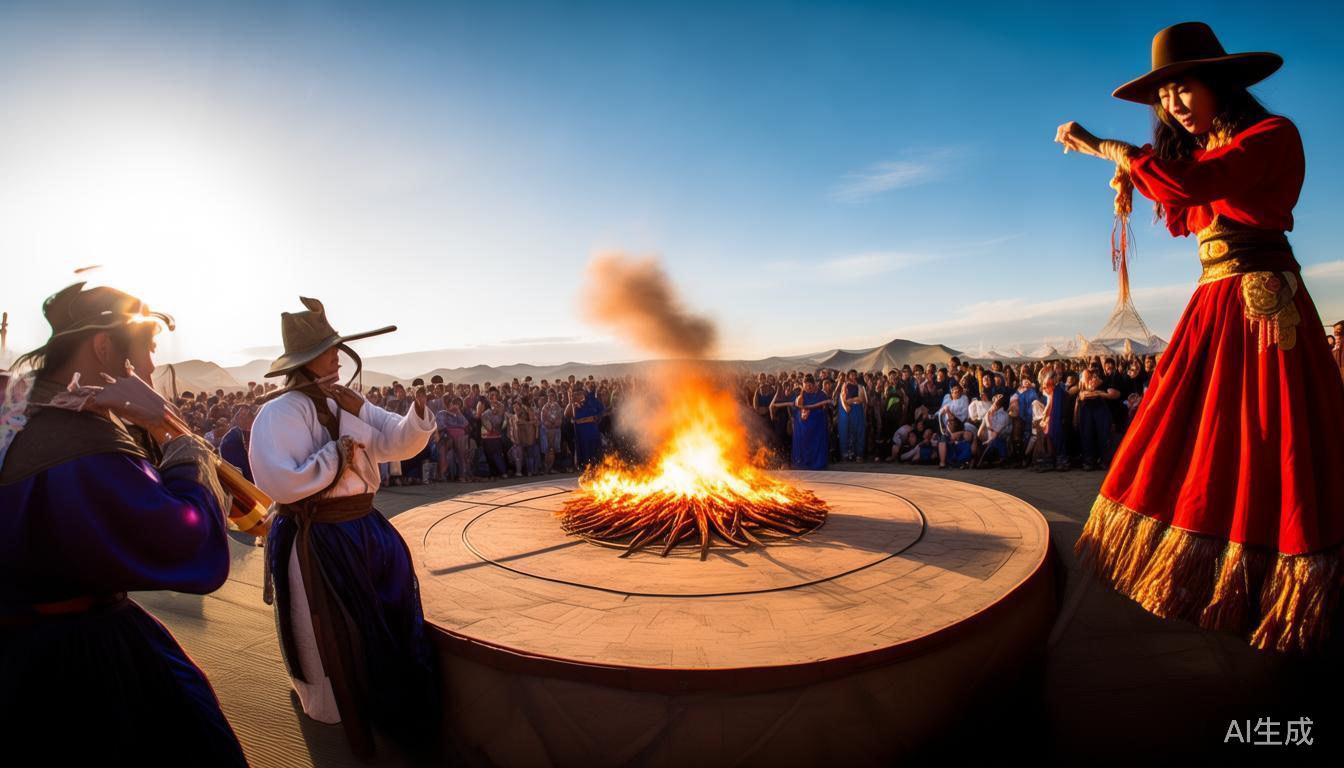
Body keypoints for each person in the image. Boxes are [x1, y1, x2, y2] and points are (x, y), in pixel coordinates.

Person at [1057, 22, 1344, 651]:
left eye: (1181, 88)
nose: (1172, 105)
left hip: (1262, 302)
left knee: (1276, 438)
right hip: (1215, 304)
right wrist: (1137, 176)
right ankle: (1222, 578)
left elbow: (1189, 188)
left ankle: (1286, 586)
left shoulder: (1273, 135)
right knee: (1204, 435)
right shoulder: (1206, 156)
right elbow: (1184, 215)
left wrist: (1111, 151)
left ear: (1218, 82)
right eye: (1164, 97)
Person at [0, 283, 246, 765]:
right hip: (76, 658)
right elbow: (184, 539)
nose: (152, 366)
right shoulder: (81, 442)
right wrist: (176, 439)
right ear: (103, 346)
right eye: (148, 350)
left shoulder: (17, 412)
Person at [249, 297, 440, 757]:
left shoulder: (350, 401)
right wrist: (340, 452)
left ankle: (387, 699)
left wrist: (415, 417)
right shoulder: (278, 414)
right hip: (320, 539)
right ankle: (332, 708)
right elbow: (281, 480)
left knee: (386, 617)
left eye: (338, 348)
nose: (337, 356)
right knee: (326, 632)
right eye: (329, 348)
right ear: (304, 360)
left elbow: (395, 441)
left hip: (366, 529)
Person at [791, 374, 830, 470]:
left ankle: (818, 462)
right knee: (803, 443)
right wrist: (803, 413)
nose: (808, 387)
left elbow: (825, 408)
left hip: (817, 425)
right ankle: (803, 462)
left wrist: (812, 411)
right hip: (803, 425)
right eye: (805, 384)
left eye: (810, 384)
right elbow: (797, 407)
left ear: (814, 384)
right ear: (803, 385)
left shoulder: (821, 394)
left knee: (817, 444)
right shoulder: (801, 395)